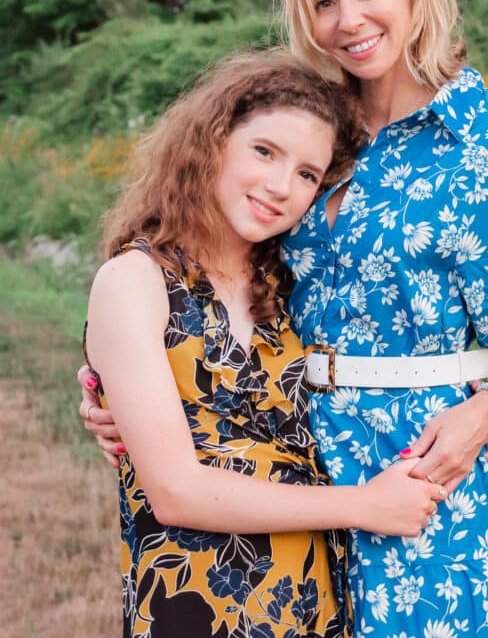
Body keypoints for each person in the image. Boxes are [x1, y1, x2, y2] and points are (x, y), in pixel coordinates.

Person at [82, 0, 488, 636]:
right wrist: (120, 388)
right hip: (284, 454)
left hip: (415, 459)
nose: (348, 19)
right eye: (323, 1)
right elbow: (215, 280)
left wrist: (485, 408)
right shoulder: (311, 137)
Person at [82, 49, 443, 638]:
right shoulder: (135, 281)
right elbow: (176, 492)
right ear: (214, 142)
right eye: (265, 152)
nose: (281, 186)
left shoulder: (287, 289)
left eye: (307, 174)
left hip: (309, 602)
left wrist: (461, 413)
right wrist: (363, 506)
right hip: (195, 604)